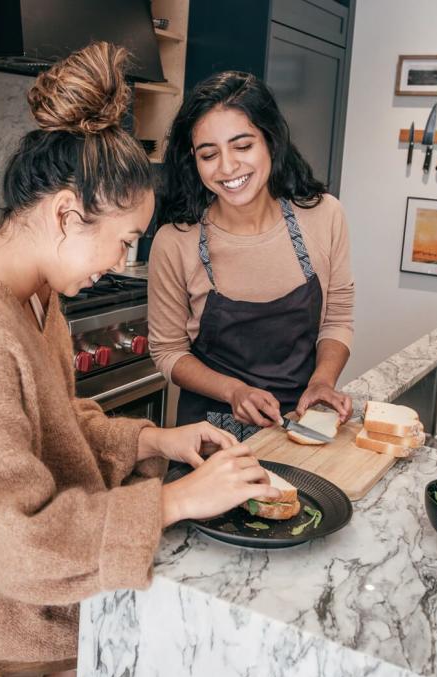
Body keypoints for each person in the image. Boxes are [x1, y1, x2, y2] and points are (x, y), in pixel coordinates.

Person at [0, 44, 281, 677]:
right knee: (157, 613)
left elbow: (57, 420)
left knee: (164, 594)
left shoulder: (36, 293)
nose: (120, 262)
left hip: (10, 552)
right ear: (65, 213)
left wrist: (156, 441)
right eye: (122, 242)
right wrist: (173, 500)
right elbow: (10, 539)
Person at [148, 71, 356, 442]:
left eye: (243, 146)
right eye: (209, 154)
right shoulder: (175, 242)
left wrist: (323, 381)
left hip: (302, 426)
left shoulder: (324, 216)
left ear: (271, 143)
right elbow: (167, 352)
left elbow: (337, 318)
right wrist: (234, 392)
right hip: (211, 440)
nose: (227, 167)